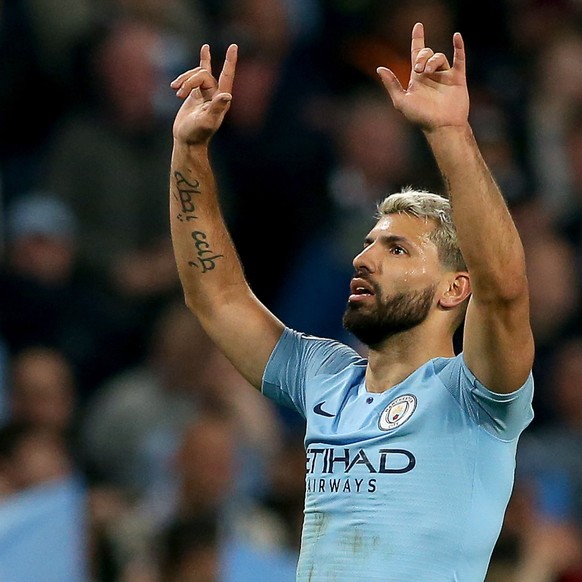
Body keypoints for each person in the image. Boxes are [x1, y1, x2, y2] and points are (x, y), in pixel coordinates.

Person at [168, 22, 535, 582]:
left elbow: (505, 291)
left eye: (395, 248)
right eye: (367, 245)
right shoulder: (324, 377)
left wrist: (449, 132)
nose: (365, 260)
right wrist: (189, 150)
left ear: (454, 288)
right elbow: (215, 296)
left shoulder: (476, 395)